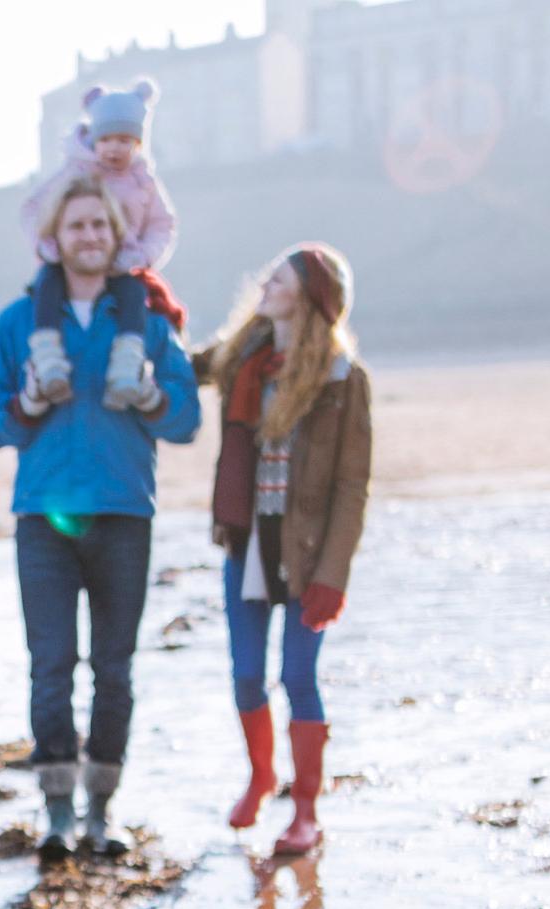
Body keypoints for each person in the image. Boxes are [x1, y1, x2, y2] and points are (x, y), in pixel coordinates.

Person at [0, 177, 203, 857]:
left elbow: (187, 417)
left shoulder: (148, 324)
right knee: (50, 666)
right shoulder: (17, 325)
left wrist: (153, 395)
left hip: (125, 512)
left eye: (100, 226)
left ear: (116, 235)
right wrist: (27, 406)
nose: (90, 237)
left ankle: (103, 811)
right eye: (77, 227)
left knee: (115, 668)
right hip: (43, 518)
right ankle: (57, 815)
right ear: (55, 237)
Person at [195, 245, 371, 856]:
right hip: (247, 540)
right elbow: (182, 367)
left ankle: (305, 812)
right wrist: (146, 305)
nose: (266, 283)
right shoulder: (242, 359)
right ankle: (261, 775)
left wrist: (334, 576)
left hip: (309, 553)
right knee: (246, 676)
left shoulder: (343, 379)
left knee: (298, 676)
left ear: (311, 295)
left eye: (281, 277)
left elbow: (352, 486)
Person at [16, 79, 182, 412]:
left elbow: (163, 224)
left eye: (125, 140)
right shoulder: (76, 171)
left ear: (138, 143)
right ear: (93, 138)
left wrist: (143, 256)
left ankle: (126, 367)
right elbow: (33, 208)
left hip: (123, 264)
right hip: (66, 265)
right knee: (46, 287)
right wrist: (48, 247)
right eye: (106, 139)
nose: (114, 149)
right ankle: (48, 361)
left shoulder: (143, 181)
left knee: (134, 297)